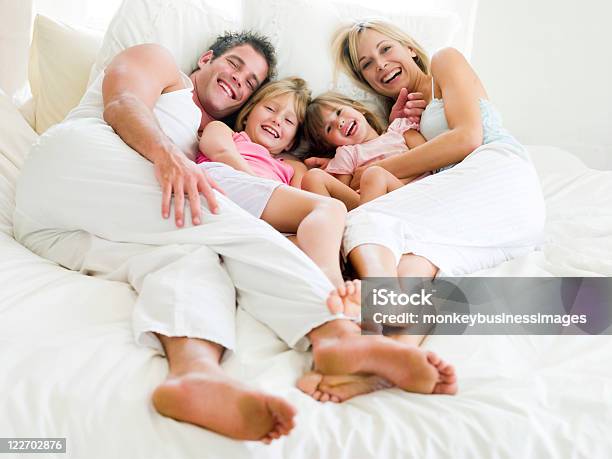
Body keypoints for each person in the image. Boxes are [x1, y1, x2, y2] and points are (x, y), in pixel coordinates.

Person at [13, 31, 456, 443]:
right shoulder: (164, 67)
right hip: (75, 160)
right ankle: (335, 336)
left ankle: (194, 374)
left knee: (189, 260)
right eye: (234, 65)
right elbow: (123, 101)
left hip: (54, 232)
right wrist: (167, 157)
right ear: (206, 59)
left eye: (250, 82)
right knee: (223, 222)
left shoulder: (206, 140)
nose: (238, 82)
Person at [296, 20, 545, 360]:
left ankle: (374, 310)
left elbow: (466, 138)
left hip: (498, 172)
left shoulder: (444, 61)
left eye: (385, 49)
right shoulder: (400, 119)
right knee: (411, 263)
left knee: (366, 220)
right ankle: (392, 357)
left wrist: (373, 170)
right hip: (485, 214)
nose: (380, 64)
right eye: (367, 64)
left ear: (409, 47)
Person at [198, 77, 348, 289]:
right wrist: (257, 180)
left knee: (314, 239)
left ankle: (345, 298)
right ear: (249, 111)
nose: (277, 120)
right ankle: (334, 285)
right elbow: (219, 150)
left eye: (289, 121)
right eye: (270, 108)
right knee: (332, 208)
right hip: (222, 184)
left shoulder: (292, 167)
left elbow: (300, 212)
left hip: (259, 220)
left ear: (292, 141)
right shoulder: (227, 132)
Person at [301, 92, 431, 210]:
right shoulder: (346, 154)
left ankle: (365, 226)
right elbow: (344, 194)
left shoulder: (399, 130)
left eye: (339, 112)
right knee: (313, 177)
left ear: (358, 108)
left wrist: (378, 184)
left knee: (374, 174)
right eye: (329, 128)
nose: (339, 123)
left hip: (411, 196)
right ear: (329, 144)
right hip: (369, 206)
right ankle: (334, 226)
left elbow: (429, 160)